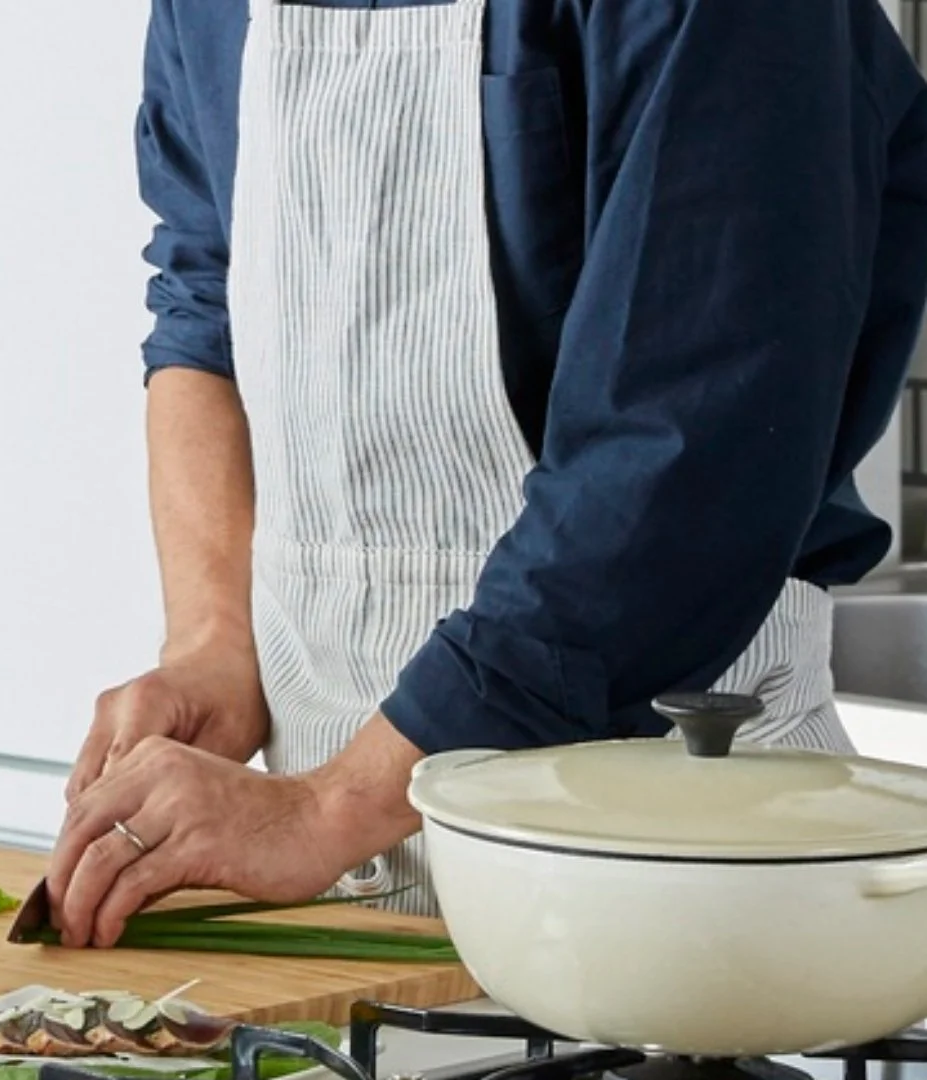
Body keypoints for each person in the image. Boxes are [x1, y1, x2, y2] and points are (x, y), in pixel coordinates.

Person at [47, 0, 927, 946]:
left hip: (655, 871)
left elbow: (676, 456)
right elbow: (201, 308)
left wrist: (333, 807)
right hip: (309, 869)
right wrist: (214, 645)